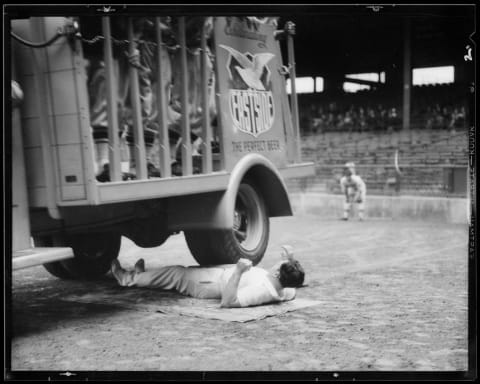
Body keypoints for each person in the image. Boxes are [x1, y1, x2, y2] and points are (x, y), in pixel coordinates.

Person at [110, 245, 305, 308]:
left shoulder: (262, 291)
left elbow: (229, 302)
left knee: (176, 274)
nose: (275, 263)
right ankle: (143, 275)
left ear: (278, 272)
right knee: (179, 271)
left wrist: (237, 271)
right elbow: (293, 286)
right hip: (217, 276)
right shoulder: (286, 289)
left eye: (279, 264)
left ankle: (128, 279)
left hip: (209, 286)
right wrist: (290, 260)